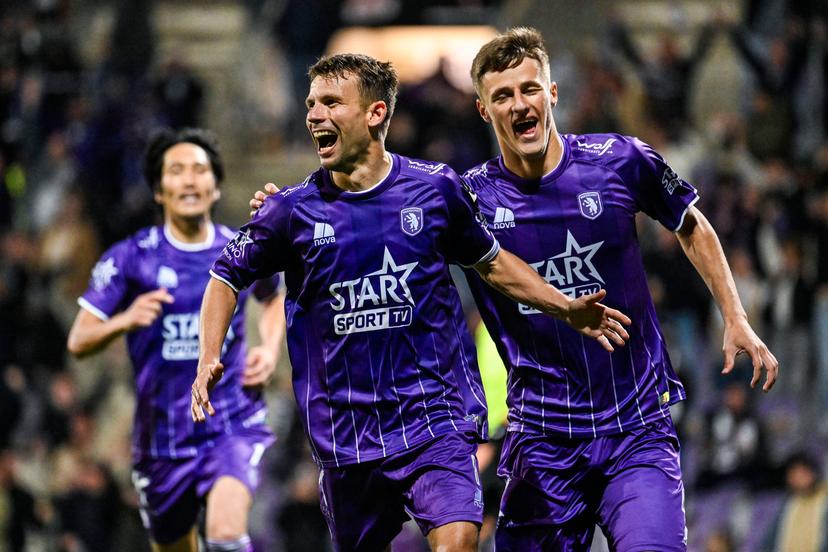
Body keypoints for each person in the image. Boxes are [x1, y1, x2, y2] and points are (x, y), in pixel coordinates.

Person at [192, 53, 631, 552]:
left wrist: (563, 306)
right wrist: (210, 353)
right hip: (347, 437)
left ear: (375, 113)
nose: (314, 115)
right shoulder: (288, 213)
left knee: (459, 539)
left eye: (332, 103)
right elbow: (224, 275)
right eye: (311, 104)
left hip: (434, 421)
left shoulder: (435, 189)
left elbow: (492, 262)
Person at [459, 27, 778, 551]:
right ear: (483, 110)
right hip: (542, 438)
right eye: (503, 96)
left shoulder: (619, 159)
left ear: (552, 93)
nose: (520, 104)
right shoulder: (468, 198)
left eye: (530, 89)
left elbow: (691, 225)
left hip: (636, 427)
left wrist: (735, 314)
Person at [67, 128, 284, 552]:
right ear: (158, 190)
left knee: (225, 535)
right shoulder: (131, 257)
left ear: (216, 186)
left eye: (200, 170)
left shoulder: (237, 248)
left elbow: (273, 298)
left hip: (230, 423)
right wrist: (124, 320)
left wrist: (269, 348)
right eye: (177, 171)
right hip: (161, 439)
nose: (189, 180)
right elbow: (79, 339)